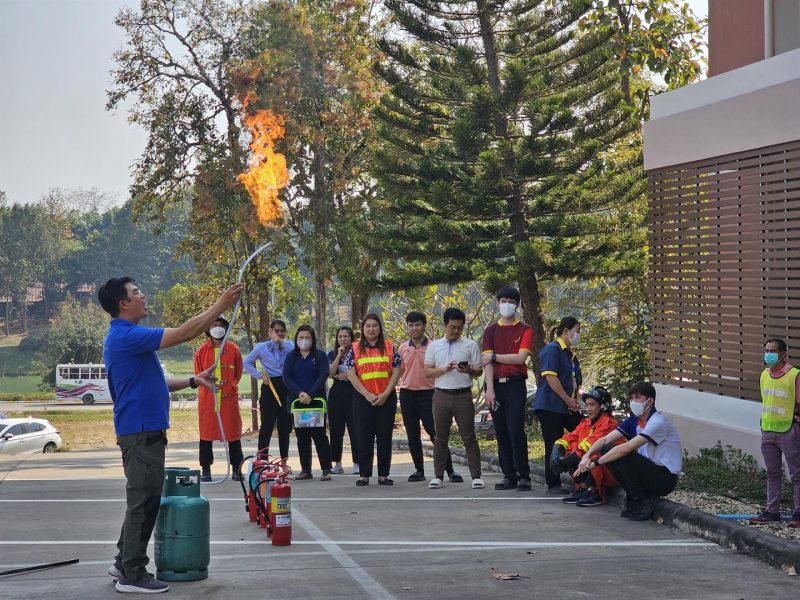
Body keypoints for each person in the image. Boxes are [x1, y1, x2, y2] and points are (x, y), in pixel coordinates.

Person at [99, 276, 242, 593]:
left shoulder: (128, 338)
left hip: (142, 429)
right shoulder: (127, 335)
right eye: (137, 292)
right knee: (144, 501)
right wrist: (221, 305)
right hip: (140, 431)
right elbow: (184, 333)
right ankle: (133, 575)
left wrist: (193, 380)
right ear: (124, 304)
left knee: (144, 498)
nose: (142, 295)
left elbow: (154, 383)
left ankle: (124, 561)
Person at [574, 382, 682, 521]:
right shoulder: (634, 421)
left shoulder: (658, 422)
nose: (633, 402)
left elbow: (626, 448)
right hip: (650, 472)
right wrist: (587, 456)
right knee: (608, 449)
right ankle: (634, 496)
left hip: (664, 479)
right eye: (631, 398)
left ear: (650, 401)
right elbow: (605, 439)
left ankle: (643, 500)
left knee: (622, 454)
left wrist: (596, 463)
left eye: (637, 398)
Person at [481, 286, 535, 491]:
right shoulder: (490, 331)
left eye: (511, 301)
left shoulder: (524, 329)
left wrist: (495, 356)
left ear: (517, 304)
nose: (507, 305)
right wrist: (489, 389)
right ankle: (508, 474)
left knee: (515, 430)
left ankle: (524, 475)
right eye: (503, 301)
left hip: (516, 385)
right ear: (497, 303)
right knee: (501, 431)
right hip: (496, 386)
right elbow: (486, 362)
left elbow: (520, 358)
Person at [424, 308, 484, 489]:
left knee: (469, 436)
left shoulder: (470, 345)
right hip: (441, 394)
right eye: (452, 327)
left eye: (460, 327)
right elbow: (427, 372)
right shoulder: (434, 346)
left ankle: (476, 476)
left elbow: (479, 370)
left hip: (463, 395)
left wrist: (469, 370)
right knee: (440, 437)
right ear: (445, 325)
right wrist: (444, 369)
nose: (456, 331)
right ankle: (438, 476)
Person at [398, 311, 461, 483]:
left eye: (417, 324)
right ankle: (419, 470)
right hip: (407, 394)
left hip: (429, 393)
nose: (414, 328)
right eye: (410, 325)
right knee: (412, 435)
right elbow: (400, 371)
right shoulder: (403, 347)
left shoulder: (434, 346)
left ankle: (449, 471)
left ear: (424, 326)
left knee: (436, 434)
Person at [345, 313, 401, 486]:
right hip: (363, 399)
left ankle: (383, 474)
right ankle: (364, 474)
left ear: (380, 328)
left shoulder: (390, 347)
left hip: (386, 398)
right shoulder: (354, 348)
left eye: (374, 325)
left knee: (385, 436)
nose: (371, 329)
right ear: (363, 329)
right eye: (368, 326)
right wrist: (367, 394)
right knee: (363, 436)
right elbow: (350, 373)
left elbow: (397, 370)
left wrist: (385, 394)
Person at [749, 339, 800, 527]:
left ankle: (798, 513)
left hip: (789, 430)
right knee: (772, 473)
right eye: (767, 350)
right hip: (768, 430)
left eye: (773, 351)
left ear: (783, 354)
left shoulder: (795, 375)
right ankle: (772, 511)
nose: (768, 354)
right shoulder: (764, 375)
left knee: (797, 474)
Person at [531, 315, 583, 493]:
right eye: (577, 331)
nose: (578, 335)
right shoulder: (552, 349)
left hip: (568, 406)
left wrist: (575, 400)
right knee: (553, 442)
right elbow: (551, 377)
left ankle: (582, 475)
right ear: (566, 331)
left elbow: (576, 381)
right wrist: (567, 399)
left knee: (582, 431)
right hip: (550, 405)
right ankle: (553, 482)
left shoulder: (571, 355)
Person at [193, 316, 244, 482]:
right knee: (206, 435)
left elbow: (238, 373)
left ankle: (237, 469)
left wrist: (230, 385)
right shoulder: (201, 351)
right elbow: (198, 375)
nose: (217, 328)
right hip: (209, 399)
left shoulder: (234, 349)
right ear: (208, 329)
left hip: (229, 399)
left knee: (233, 434)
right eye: (213, 325)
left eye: (221, 325)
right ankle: (206, 470)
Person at [550, 386, 618, 507]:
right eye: (587, 405)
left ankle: (595, 492)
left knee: (593, 452)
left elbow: (591, 445)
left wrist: (567, 461)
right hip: (600, 468)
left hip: (613, 472)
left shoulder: (609, 424)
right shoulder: (586, 424)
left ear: (603, 406)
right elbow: (568, 438)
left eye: (592, 405)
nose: (588, 409)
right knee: (572, 445)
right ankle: (584, 488)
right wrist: (557, 451)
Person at [283, 325, 333, 480]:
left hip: (315, 403)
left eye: (308, 337)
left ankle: (326, 469)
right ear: (296, 339)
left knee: (319, 436)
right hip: (298, 403)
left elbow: (323, 374)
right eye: (301, 337)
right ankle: (306, 470)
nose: (304, 340)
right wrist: (300, 393)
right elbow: (286, 377)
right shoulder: (291, 356)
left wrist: (310, 394)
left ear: (313, 339)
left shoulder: (320, 355)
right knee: (302, 437)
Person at [243, 320, 294, 468]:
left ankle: (284, 461)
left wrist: (280, 341)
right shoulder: (261, 347)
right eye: (276, 331)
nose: (279, 334)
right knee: (266, 425)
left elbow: (296, 353)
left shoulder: (289, 345)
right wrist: (259, 375)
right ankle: (262, 461)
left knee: (285, 426)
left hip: (286, 385)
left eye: (282, 331)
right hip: (269, 387)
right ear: (270, 331)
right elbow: (247, 362)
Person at [328, 326, 359, 474]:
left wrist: (350, 377)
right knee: (336, 429)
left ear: (351, 338)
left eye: (346, 336)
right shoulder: (332, 353)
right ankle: (337, 463)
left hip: (354, 391)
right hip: (337, 392)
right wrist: (338, 356)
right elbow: (331, 374)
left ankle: (357, 462)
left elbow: (359, 373)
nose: (343, 339)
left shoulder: (358, 353)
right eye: (340, 336)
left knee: (355, 428)